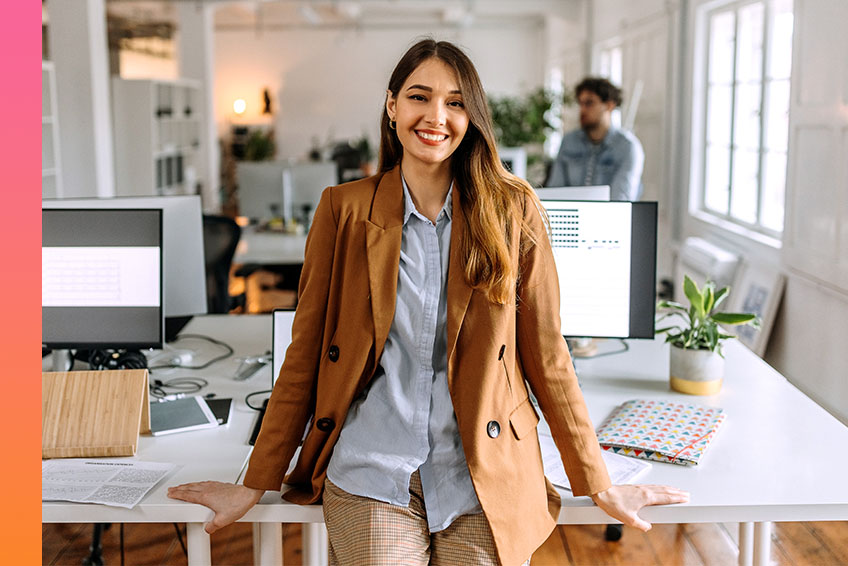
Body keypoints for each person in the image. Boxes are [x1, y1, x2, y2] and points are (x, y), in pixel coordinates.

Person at [168, 39, 687, 566]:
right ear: (393, 106)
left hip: (481, 471)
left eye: (456, 102)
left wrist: (597, 481)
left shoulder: (514, 210)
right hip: (374, 469)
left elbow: (549, 357)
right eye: (420, 96)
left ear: (472, 116)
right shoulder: (342, 210)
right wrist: (255, 481)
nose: (436, 115)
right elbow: (305, 356)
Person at [547, 77, 645, 201]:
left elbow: (621, 201)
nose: (582, 110)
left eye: (589, 103)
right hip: (571, 217)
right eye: (580, 103)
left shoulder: (628, 147)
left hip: (609, 218)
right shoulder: (568, 142)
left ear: (609, 105)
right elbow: (555, 192)